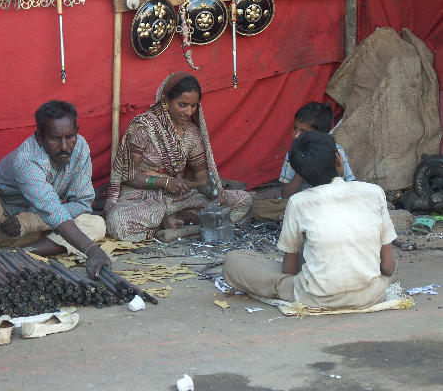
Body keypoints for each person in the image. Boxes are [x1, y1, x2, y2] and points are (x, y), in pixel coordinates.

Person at [0, 100, 110, 277]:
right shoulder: (28, 158)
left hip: (27, 232)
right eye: (55, 139)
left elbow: (82, 203)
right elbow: (52, 210)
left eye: (70, 137)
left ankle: (12, 254)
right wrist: (92, 250)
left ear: (77, 132)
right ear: (40, 137)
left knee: (95, 225)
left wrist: (30, 221)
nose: (64, 146)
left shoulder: (80, 149)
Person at [223, 131, 397, 309]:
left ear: (301, 173)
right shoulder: (374, 192)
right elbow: (388, 268)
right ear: (338, 159)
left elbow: (289, 271)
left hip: (315, 298)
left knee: (233, 261)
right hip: (371, 295)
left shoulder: (298, 202)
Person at [105, 72, 252, 241]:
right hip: (142, 197)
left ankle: (176, 223)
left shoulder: (192, 134)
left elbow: (202, 178)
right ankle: (176, 225)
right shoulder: (142, 128)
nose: (188, 112)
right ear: (166, 101)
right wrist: (164, 182)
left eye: (194, 106)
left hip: (179, 198)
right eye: (182, 105)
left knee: (243, 200)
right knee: (117, 223)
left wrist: (213, 191)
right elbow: (128, 176)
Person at [252, 102, 355, 221]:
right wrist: (303, 168)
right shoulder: (294, 153)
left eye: (304, 132)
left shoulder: (335, 152)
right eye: (295, 129)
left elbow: (349, 191)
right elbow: (286, 195)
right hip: (301, 203)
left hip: (330, 202)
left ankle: (303, 219)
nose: (296, 136)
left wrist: (339, 173)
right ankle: (307, 217)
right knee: (258, 208)